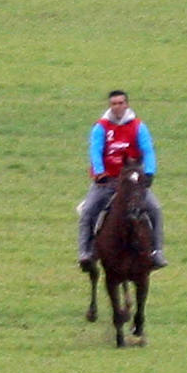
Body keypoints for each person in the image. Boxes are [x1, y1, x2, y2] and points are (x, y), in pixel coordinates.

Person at [76, 90, 166, 270]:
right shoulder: (101, 127)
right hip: (107, 182)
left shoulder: (138, 126)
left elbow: (148, 150)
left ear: (127, 105)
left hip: (132, 182)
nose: (117, 107)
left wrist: (149, 172)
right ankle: (85, 252)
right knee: (88, 211)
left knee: (155, 209)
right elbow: (95, 151)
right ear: (110, 106)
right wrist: (100, 172)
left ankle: (156, 252)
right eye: (114, 104)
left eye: (120, 103)